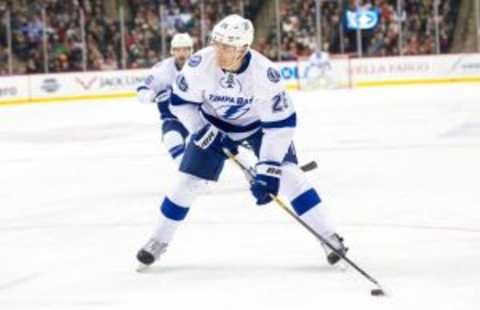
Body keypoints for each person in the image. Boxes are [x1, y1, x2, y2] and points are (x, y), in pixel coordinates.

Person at [136, 15, 348, 271]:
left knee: (290, 175)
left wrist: (269, 169)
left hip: (259, 128)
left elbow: (281, 125)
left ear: (243, 48)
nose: (219, 51)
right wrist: (201, 131)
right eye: (217, 43)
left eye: (226, 47)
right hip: (213, 124)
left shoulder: (265, 74)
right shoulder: (200, 63)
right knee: (187, 183)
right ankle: (158, 239)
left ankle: (329, 237)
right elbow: (180, 103)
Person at [136, 33, 194, 164]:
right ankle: (188, 173)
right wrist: (153, 96)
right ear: (172, 51)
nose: (182, 53)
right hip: (173, 118)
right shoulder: (161, 70)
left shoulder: (201, 66)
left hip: (199, 115)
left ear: (191, 50)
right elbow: (141, 90)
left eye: (185, 49)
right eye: (178, 50)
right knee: (171, 138)